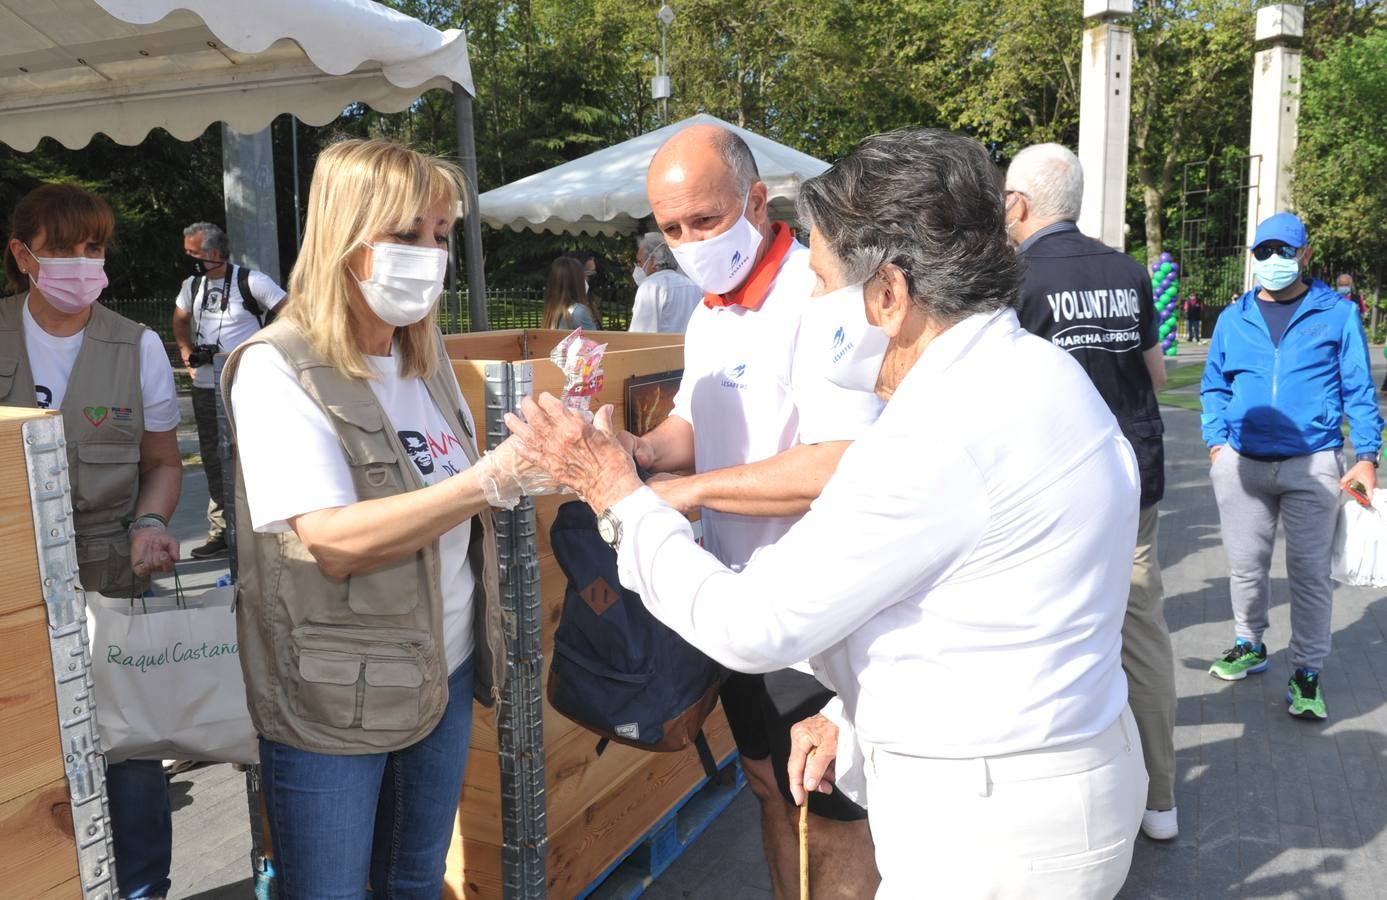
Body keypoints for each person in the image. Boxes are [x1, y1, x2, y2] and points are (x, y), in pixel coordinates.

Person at [507, 127, 1147, 899]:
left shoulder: (939, 431)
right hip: (1039, 773)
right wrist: (852, 711)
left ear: (889, 293)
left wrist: (619, 496)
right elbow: (979, 611)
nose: (810, 308)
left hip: (989, 826)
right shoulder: (1033, 374)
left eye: (818, 282)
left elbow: (754, 625)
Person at [222, 138, 546, 897]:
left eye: (438, 236)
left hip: (443, 666)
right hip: (336, 697)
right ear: (346, 235)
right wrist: (489, 480)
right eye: (405, 234)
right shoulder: (279, 366)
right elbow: (331, 541)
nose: (428, 256)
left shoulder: (422, 361)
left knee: (413, 880)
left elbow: (455, 496)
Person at [606, 122, 888, 899]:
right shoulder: (708, 311)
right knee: (766, 785)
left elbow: (837, 464)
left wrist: (683, 493)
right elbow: (696, 430)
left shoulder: (816, 295)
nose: (690, 241)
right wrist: (636, 452)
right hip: (736, 605)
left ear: (756, 201)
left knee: (828, 807)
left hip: (817, 616)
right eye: (671, 229)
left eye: (705, 219)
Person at [3, 184, 182, 898]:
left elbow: (164, 464)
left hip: (110, 576)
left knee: (130, 756)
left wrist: (151, 523)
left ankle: (141, 888)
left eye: (95, 248)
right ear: (22, 257)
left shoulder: (135, 346)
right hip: (11, 586)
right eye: (64, 249)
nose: (84, 262)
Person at [1005, 142, 1179, 842]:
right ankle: (1159, 799)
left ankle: (1062, 804)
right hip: (1132, 476)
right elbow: (1157, 375)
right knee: (1138, 628)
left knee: (1050, 634)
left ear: (1016, 204)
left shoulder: (1011, 277)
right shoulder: (1128, 271)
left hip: (1051, 488)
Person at [1201, 212, 1382, 720]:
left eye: (1284, 251)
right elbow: (1214, 384)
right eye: (1263, 252)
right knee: (1245, 567)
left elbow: (1359, 391)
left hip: (1313, 464)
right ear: (1252, 257)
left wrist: (1367, 457)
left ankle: (1307, 672)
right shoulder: (1232, 318)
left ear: (1304, 254)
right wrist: (1217, 443)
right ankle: (1250, 643)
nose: (1273, 261)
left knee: (1308, 575)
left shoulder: (1337, 313)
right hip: (1242, 464)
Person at [172, 222, 286, 559]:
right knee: (212, 458)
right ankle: (222, 531)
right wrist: (186, 353)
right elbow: (179, 318)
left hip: (248, 387)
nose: (188, 260)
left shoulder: (252, 282)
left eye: (193, 254)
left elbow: (293, 314)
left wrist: (264, 349)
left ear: (214, 254)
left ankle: (263, 528)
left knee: (253, 454)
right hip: (206, 387)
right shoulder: (192, 285)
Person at [628, 233, 700, 333]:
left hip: (663, 348)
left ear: (652, 261)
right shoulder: (693, 285)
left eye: (639, 262)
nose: (637, 267)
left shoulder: (650, 287)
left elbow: (642, 334)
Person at [542, 256, 599, 331]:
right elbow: (595, 341)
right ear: (577, 281)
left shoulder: (553, 311)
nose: (586, 280)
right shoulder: (579, 312)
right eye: (585, 275)